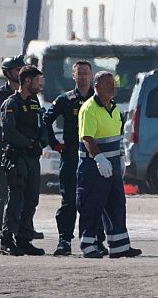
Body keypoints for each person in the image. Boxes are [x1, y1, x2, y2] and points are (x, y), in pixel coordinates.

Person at [43, 60, 106, 256]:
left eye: (86, 73)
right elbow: (45, 121)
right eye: (79, 73)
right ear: (73, 76)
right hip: (71, 157)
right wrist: (54, 144)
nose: (83, 77)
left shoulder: (100, 100)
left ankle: (96, 240)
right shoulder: (65, 99)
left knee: (95, 199)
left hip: (93, 157)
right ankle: (65, 241)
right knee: (69, 200)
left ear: (92, 75)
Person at [76, 71, 142, 258]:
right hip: (94, 167)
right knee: (92, 206)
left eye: (114, 83)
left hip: (112, 165)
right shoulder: (89, 109)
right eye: (108, 84)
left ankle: (120, 246)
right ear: (96, 86)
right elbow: (87, 137)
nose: (113, 87)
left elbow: (117, 137)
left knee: (117, 204)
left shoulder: (114, 108)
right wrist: (99, 158)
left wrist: (121, 158)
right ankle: (88, 246)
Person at [0, 65, 47, 256]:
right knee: (16, 199)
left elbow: (42, 126)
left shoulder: (35, 102)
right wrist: (28, 144)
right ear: (27, 81)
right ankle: (7, 239)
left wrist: (41, 143)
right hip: (17, 158)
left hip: (32, 159)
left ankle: (24, 239)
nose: (39, 85)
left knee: (31, 199)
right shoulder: (11, 103)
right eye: (37, 81)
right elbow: (9, 132)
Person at [0, 55, 27, 238]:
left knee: (24, 190)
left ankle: (24, 227)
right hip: (4, 150)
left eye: (21, 70)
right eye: (17, 70)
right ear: (7, 73)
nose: (20, 73)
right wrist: (6, 138)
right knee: (2, 189)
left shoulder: (28, 95)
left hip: (23, 151)